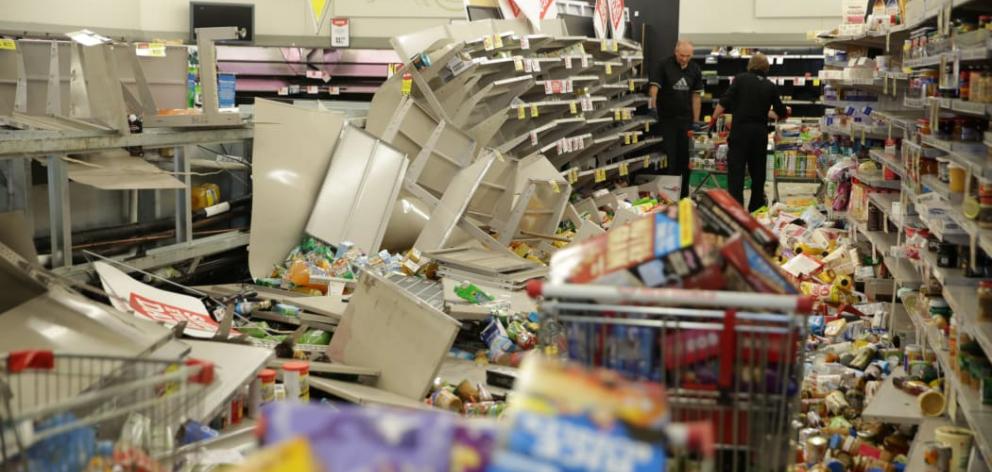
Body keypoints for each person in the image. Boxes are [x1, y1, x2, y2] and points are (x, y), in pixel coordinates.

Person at [710, 52, 788, 212]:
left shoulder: (740, 79)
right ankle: (756, 207)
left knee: (736, 173)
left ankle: (736, 210)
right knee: (758, 173)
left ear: (750, 65)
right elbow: (779, 111)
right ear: (766, 68)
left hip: (740, 133)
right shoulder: (770, 86)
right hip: (759, 134)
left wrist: (713, 119)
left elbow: (724, 102)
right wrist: (785, 112)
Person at [649, 40, 703, 199]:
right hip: (667, 119)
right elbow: (654, 88)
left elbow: (696, 96)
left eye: (688, 56)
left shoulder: (695, 69)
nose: (684, 59)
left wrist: (696, 121)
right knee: (670, 159)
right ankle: (668, 197)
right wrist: (653, 107)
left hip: (686, 121)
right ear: (675, 52)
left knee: (685, 160)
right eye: (681, 55)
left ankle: (684, 196)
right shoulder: (663, 65)